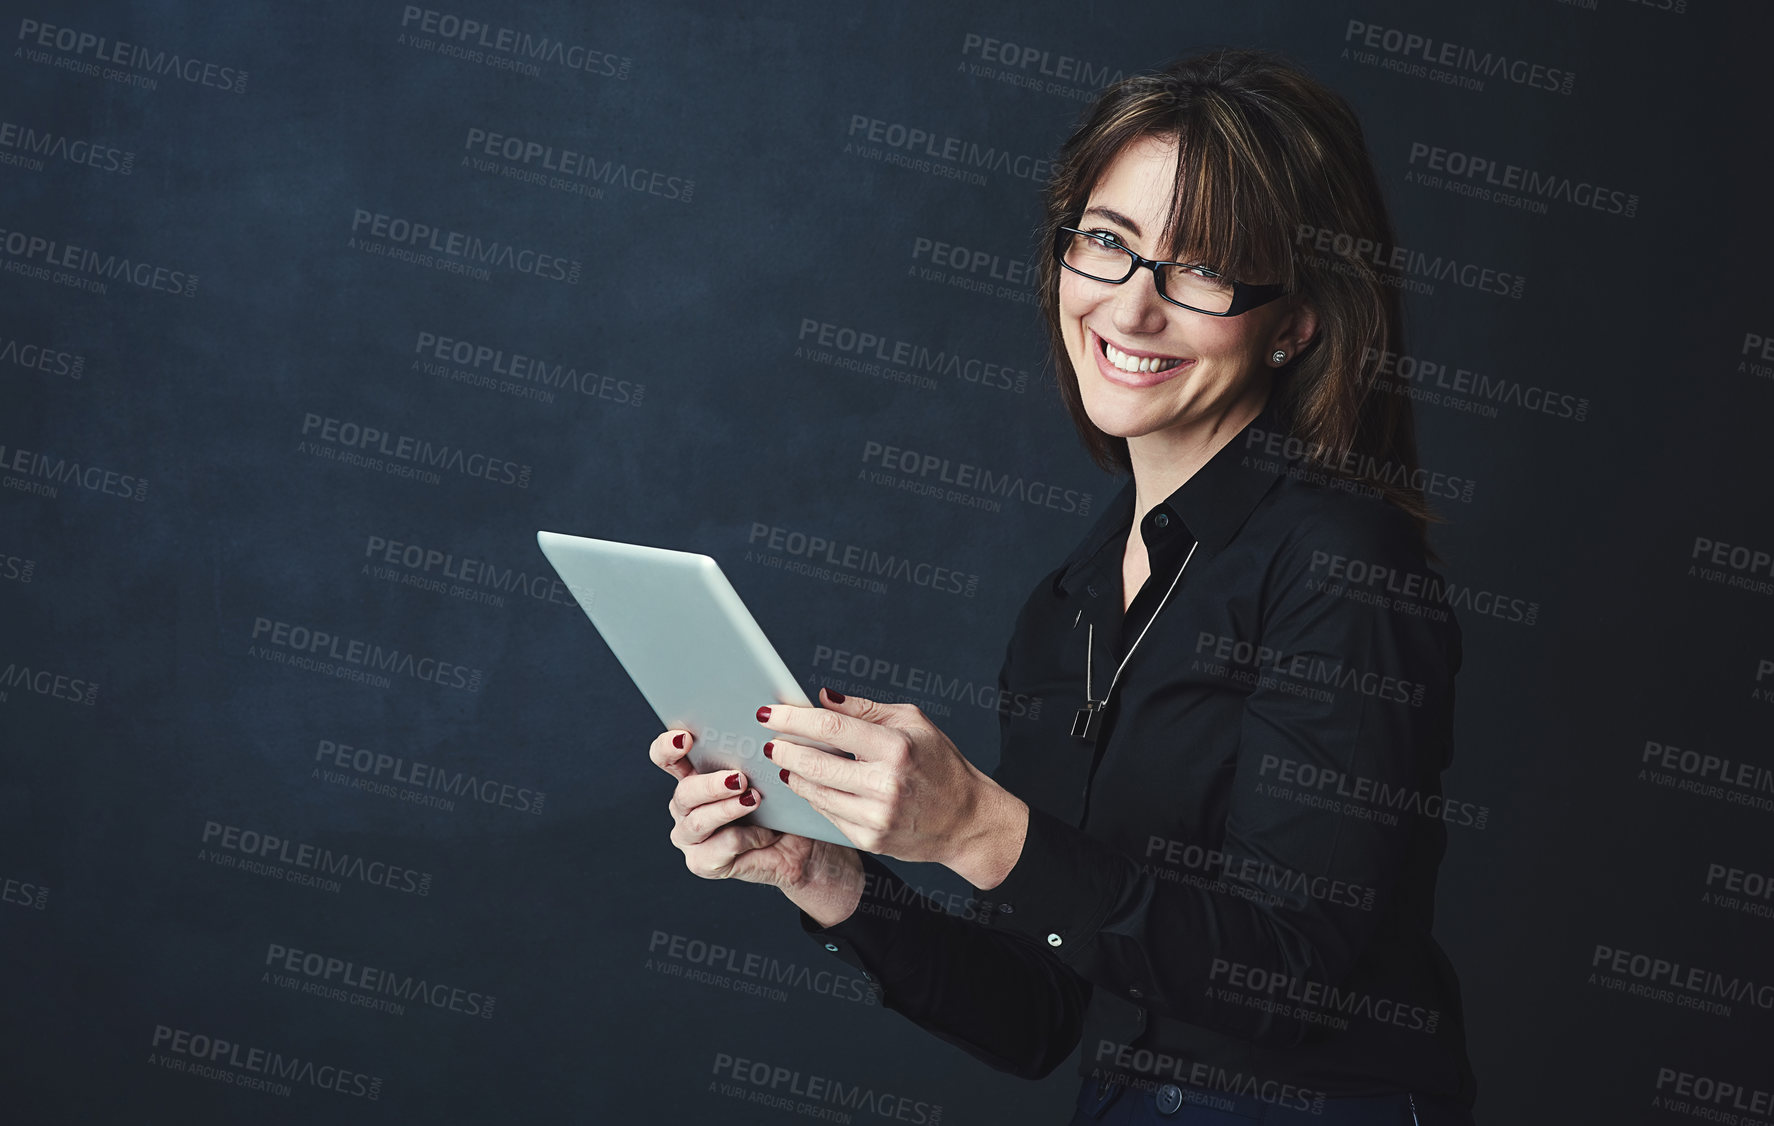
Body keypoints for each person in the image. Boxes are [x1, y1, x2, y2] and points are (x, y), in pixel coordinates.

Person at [650, 48, 1478, 1124]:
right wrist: (824, 874)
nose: (1131, 312)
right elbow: (1040, 1017)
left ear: (1297, 320)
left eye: (1204, 269)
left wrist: (974, 827)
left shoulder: (1341, 562)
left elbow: (1290, 974)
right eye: (1108, 244)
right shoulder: (1072, 602)